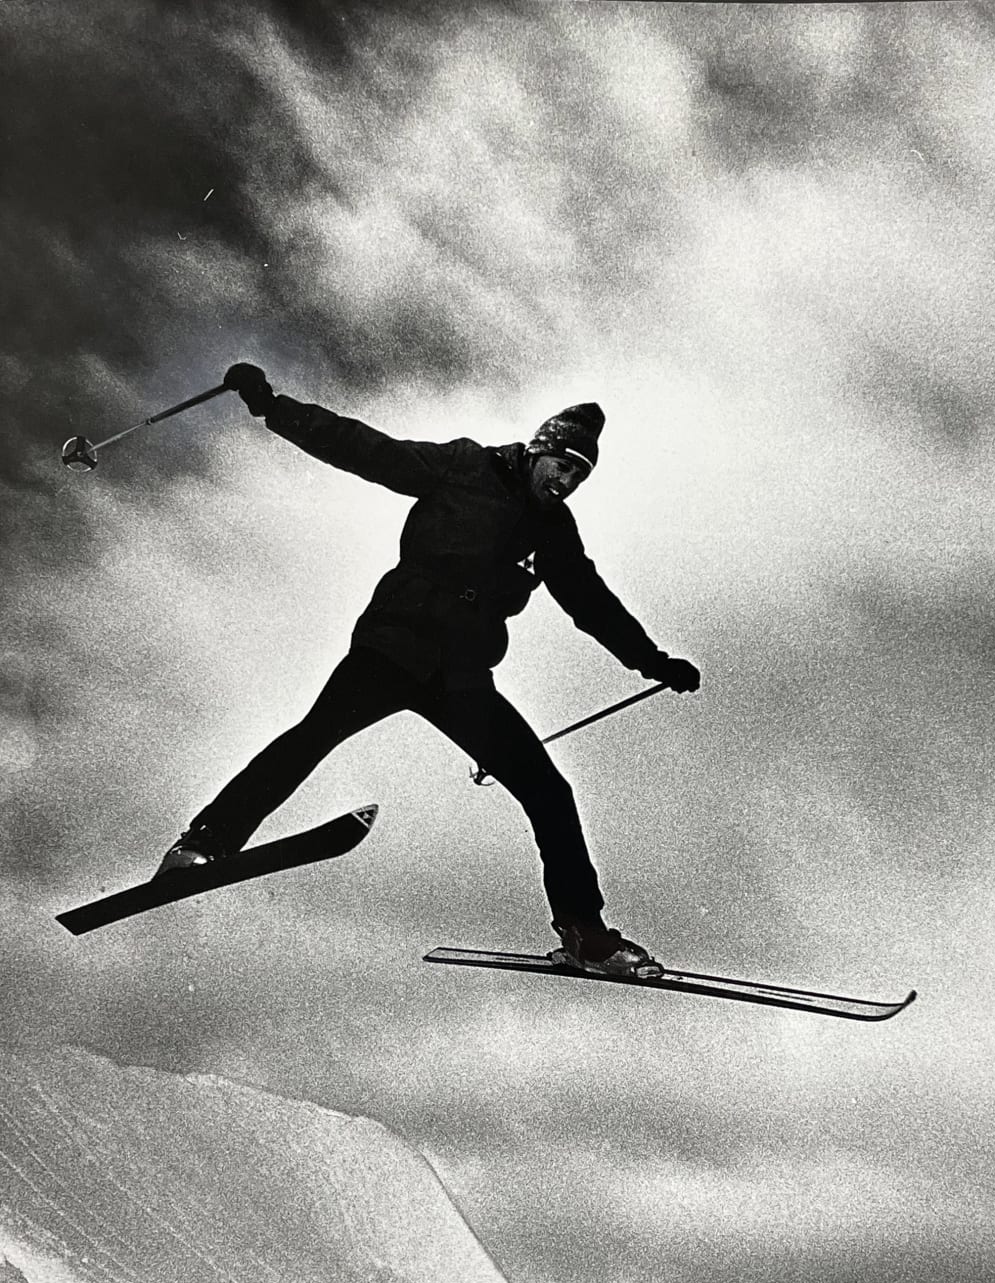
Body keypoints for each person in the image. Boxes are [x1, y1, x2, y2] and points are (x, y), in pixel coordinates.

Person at [156, 363, 701, 978]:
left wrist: (652, 660)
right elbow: (368, 450)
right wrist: (274, 409)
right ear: (538, 452)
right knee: (314, 737)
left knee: (549, 791)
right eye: (563, 465)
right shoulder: (467, 467)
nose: (568, 481)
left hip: (462, 675)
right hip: (395, 647)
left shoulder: (553, 531)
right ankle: (204, 844)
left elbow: (590, 602)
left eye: (579, 474)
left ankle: (585, 932)